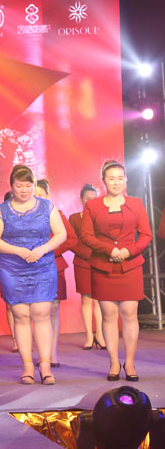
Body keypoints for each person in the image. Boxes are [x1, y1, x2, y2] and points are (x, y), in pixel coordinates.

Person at [0, 165, 67, 385]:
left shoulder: (47, 206)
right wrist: (17, 250)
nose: (24, 190)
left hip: (42, 265)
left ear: (34, 185)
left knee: (42, 313)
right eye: (19, 186)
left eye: (28, 186)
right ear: (11, 186)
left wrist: (43, 249)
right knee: (20, 315)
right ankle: (27, 366)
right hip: (13, 268)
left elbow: (61, 234)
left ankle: (45, 365)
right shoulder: (2, 210)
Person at [81, 160, 152, 382]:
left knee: (130, 313)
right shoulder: (92, 206)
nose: (116, 182)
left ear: (126, 180)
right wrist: (109, 250)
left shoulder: (136, 204)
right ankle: (113, 362)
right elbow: (86, 236)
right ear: (103, 181)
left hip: (130, 266)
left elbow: (146, 235)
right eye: (111, 178)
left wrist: (128, 251)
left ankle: (129, 362)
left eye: (120, 178)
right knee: (108, 315)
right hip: (103, 266)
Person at [35, 179, 77, 367]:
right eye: (34, 195)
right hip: (33, 268)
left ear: (48, 196)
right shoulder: (23, 218)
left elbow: (71, 239)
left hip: (54, 266)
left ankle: (52, 354)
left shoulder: (57, 214)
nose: (38, 198)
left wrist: (49, 250)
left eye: (41, 195)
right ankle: (41, 353)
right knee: (37, 312)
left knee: (53, 310)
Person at [68, 184, 106, 350]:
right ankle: (89, 336)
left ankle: (100, 335)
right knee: (86, 299)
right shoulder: (74, 218)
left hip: (100, 262)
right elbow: (71, 241)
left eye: (94, 198)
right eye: (88, 198)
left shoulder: (102, 218)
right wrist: (87, 255)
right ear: (82, 199)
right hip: (82, 263)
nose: (91, 201)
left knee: (99, 300)